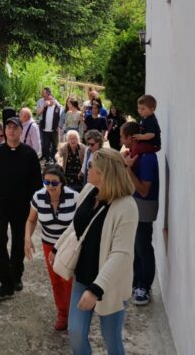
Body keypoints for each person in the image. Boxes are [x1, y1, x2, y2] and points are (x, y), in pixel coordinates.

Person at [52, 149, 138, 355]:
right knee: (76, 332)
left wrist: (96, 289)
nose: (86, 168)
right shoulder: (89, 190)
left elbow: (121, 254)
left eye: (91, 166)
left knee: (111, 338)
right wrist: (58, 245)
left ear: (103, 173)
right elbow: (76, 225)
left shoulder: (126, 207)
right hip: (83, 277)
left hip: (108, 285)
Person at [0, 116, 42, 297]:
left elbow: (36, 185)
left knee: (18, 244)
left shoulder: (29, 154)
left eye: (15, 128)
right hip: (0, 205)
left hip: (22, 207)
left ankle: (16, 276)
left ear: (21, 131)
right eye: (8, 127)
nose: (11, 131)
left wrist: (35, 209)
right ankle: (6, 281)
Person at [25, 165, 78, 331]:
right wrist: (27, 238)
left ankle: (74, 316)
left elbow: (82, 223)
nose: (49, 187)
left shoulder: (74, 197)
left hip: (69, 245)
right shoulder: (39, 196)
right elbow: (31, 220)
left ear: (62, 182)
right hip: (48, 244)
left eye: (54, 183)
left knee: (68, 280)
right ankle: (62, 314)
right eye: (46, 182)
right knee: (56, 281)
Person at [120, 122, 160, 307]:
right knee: (136, 248)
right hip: (137, 206)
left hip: (144, 206)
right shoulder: (138, 155)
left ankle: (144, 287)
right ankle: (137, 284)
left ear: (130, 138)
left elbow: (143, 190)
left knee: (143, 248)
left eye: (122, 137)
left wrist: (128, 169)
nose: (121, 140)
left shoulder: (147, 158)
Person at [38, 95, 61, 164]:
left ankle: (52, 158)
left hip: (54, 130)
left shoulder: (58, 108)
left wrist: (59, 126)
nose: (49, 101)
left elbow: (61, 118)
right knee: (45, 146)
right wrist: (44, 106)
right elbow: (38, 113)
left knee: (55, 146)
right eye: (48, 99)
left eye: (51, 99)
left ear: (54, 100)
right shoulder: (44, 107)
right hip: (45, 130)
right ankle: (48, 159)